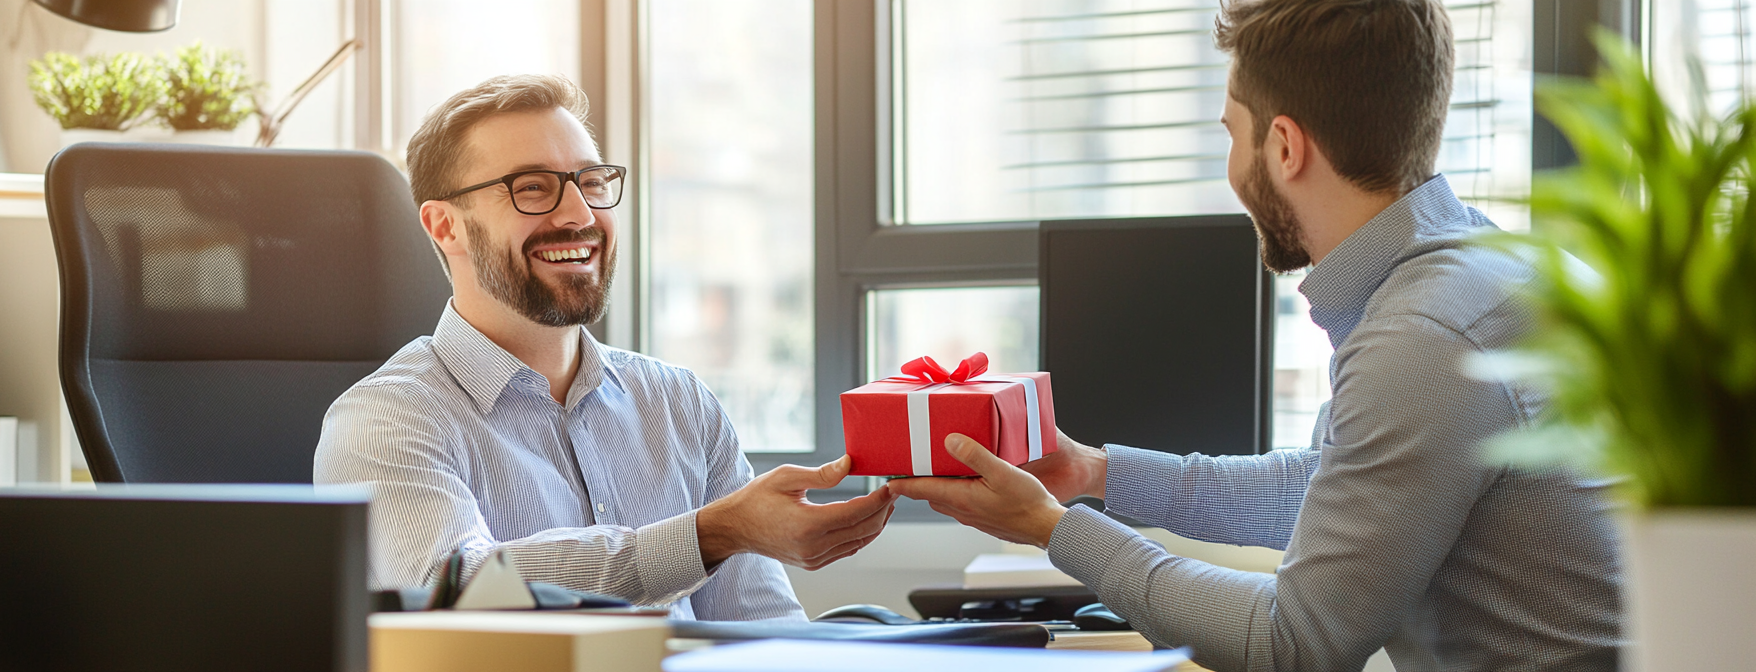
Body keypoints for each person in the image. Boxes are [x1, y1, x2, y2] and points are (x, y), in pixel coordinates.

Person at [888, 1, 1621, 669]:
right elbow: (1334, 491)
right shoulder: (1486, 272)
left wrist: (1054, 529)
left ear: (1285, 147)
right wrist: (1093, 474)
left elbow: (1294, 643)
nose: (1233, 168)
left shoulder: (1423, 336)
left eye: (1233, 135)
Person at [314, 74, 894, 620]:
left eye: (591, 183)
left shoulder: (679, 402)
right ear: (445, 226)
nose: (580, 214)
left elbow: (766, 631)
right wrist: (710, 534)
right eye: (533, 188)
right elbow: (455, 593)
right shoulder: (385, 419)